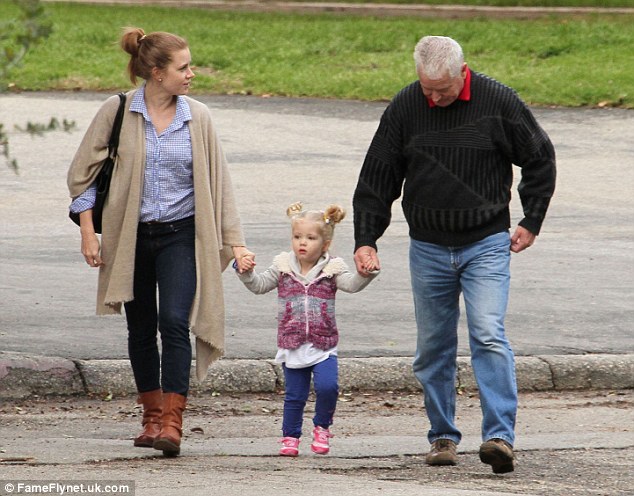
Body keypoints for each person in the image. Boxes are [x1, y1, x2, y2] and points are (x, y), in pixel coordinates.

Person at [352, 36, 556, 474]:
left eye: (441, 89)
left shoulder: (498, 101)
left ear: (462, 72)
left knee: (488, 334)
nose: (433, 97)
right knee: (432, 349)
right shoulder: (407, 105)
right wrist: (366, 238)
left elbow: (540, 158)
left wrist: (531, 220)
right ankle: (442, 436)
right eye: (426, 88)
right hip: (427, 246)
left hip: (486, 243)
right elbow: (378, 175)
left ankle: (500, 436)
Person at [67, 27, 253, 457]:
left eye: (190, 65)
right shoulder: (117, 111)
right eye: (183, 67)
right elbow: (84, 177)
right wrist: (87, 232)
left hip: (181, 235)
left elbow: (219, 185)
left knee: (173, 320)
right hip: (130, 235)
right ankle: (150, 416)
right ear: (156, 73)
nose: (192, 73)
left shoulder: (198, 116)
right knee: (139, 327)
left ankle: (172, 421)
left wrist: (235, 242)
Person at [235, 202, 378, 457]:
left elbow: (352, 284)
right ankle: (290, 436)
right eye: (297, 237)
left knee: (327, 387)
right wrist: (246, 272)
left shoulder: (332, 268)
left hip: (324, 343)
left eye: (310, 238)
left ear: (325, 244)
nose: (302, 243)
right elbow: (257, 285)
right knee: (294, 396)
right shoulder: (282, 267)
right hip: (293, 342)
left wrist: (366, 274)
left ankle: (322, 426)